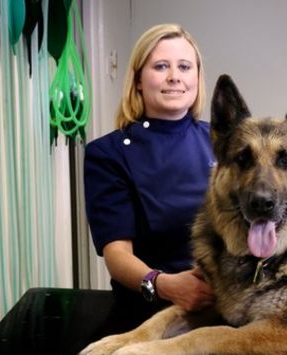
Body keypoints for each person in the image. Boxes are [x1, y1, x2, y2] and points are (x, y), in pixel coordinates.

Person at [84, 24, 216, 324]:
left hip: (224, 306)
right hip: (148, 312)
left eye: (184, 66)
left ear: (196, 77)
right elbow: (117, 255)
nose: (174, 77)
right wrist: (167, 285)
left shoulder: (225, 142)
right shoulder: (108, 154)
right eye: (160, 66)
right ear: (139, 80)